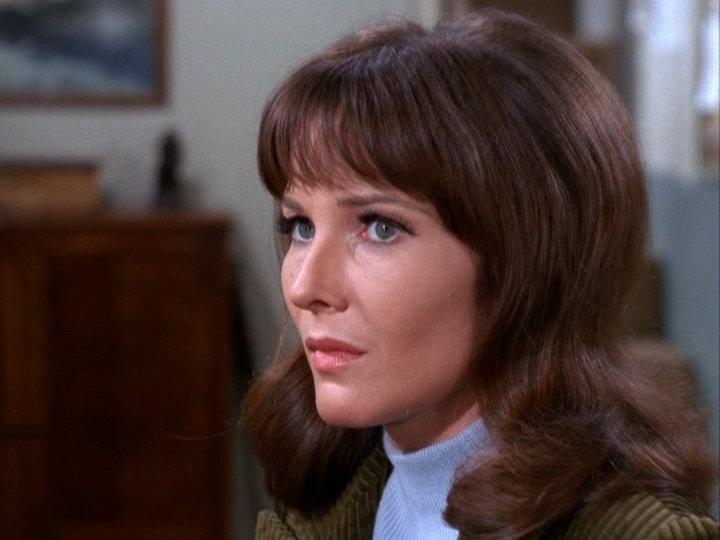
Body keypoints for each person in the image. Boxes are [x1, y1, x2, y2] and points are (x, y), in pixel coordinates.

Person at [242, 9, 719, 540]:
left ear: (522, 262)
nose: (305, 287)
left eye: (380, 227)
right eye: (301, 226)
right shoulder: (316, 508)